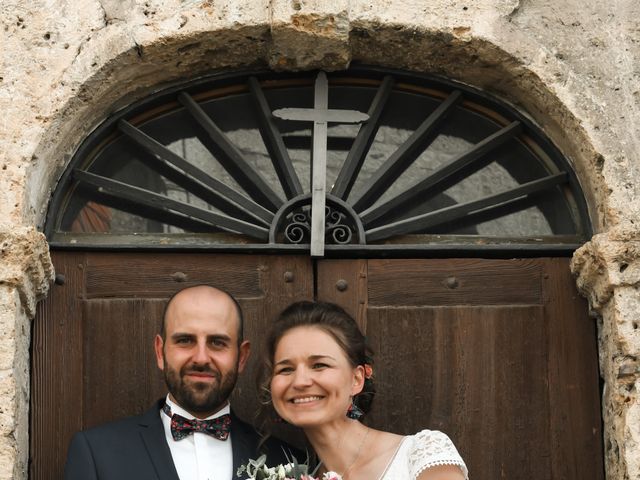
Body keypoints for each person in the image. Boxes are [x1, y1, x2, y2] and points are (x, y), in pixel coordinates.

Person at [65, 285, 295, 480]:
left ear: (241, 357)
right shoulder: (96, 452)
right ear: (159, 351)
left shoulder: (287, 460)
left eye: (217, 342)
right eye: (185, 340)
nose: (201, 358)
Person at [259, 301, 469, 480]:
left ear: (357, 379)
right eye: (286, 369)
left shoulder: (421, 454)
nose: (300, 381)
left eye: (319, 365)